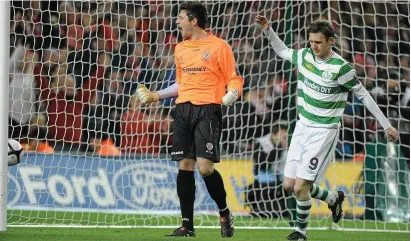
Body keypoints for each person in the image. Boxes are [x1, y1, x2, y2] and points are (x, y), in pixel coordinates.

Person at [255, 15, 399, 240]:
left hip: (324, 131)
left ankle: (300, 232)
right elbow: (283, 51)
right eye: (311, 41)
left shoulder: (341, 69)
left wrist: (386, 125)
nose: (313, 46)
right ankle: (333, 199)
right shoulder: (304, 55)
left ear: (331, 41)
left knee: (301, 187)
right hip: (302, 127)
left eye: (318, 42)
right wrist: (268, 30)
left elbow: (364, 96)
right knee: (289, 185)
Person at [136, 2, 244, 238]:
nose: (177, 21)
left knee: (205, 169)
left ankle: (224, 213)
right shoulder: (180, 48)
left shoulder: (219, 46)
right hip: (183, 109)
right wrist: (156, 95)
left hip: (208, 109)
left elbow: (233, 78)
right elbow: (181, 83)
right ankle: (187, 225)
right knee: (184, 165)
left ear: (193, 20)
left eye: (181, 17)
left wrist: (232, 93)